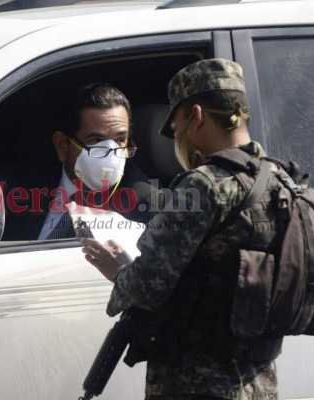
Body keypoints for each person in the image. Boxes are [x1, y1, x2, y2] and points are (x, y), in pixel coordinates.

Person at [81, 59, 280, 399]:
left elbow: (146, 287)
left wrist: (119, 271)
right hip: (259, 380)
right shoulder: (281, 180)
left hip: (197, 383)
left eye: (175, 128)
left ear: (196, 116)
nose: (178, 140)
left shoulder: (202, 186)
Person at [37, 82, 155, 240]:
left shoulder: (148, 206)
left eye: (120, 140)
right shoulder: (25, 187)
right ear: (62, 145)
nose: (111, 154)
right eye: (96, 140)